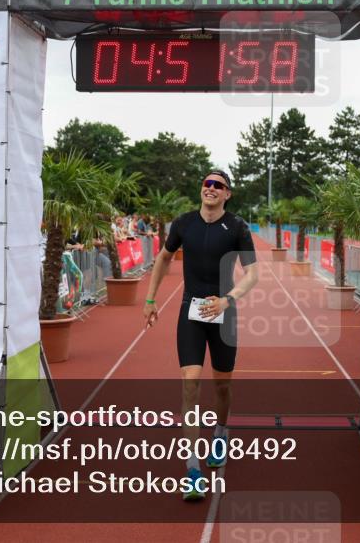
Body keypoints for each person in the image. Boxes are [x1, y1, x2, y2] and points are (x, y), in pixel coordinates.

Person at [143, 170, 259, 501]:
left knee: (222, 385)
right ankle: (193, 470)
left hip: (224, 314)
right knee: (190, 384)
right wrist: (150, 300)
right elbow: (164, 257)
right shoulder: (184, 224)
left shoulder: (237, 227)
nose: (210, 188)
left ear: (227, 194)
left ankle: (220, 432)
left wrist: (227, 300)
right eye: (207, 184)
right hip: (190, 313)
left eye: (218, 185)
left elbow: (252, 274)